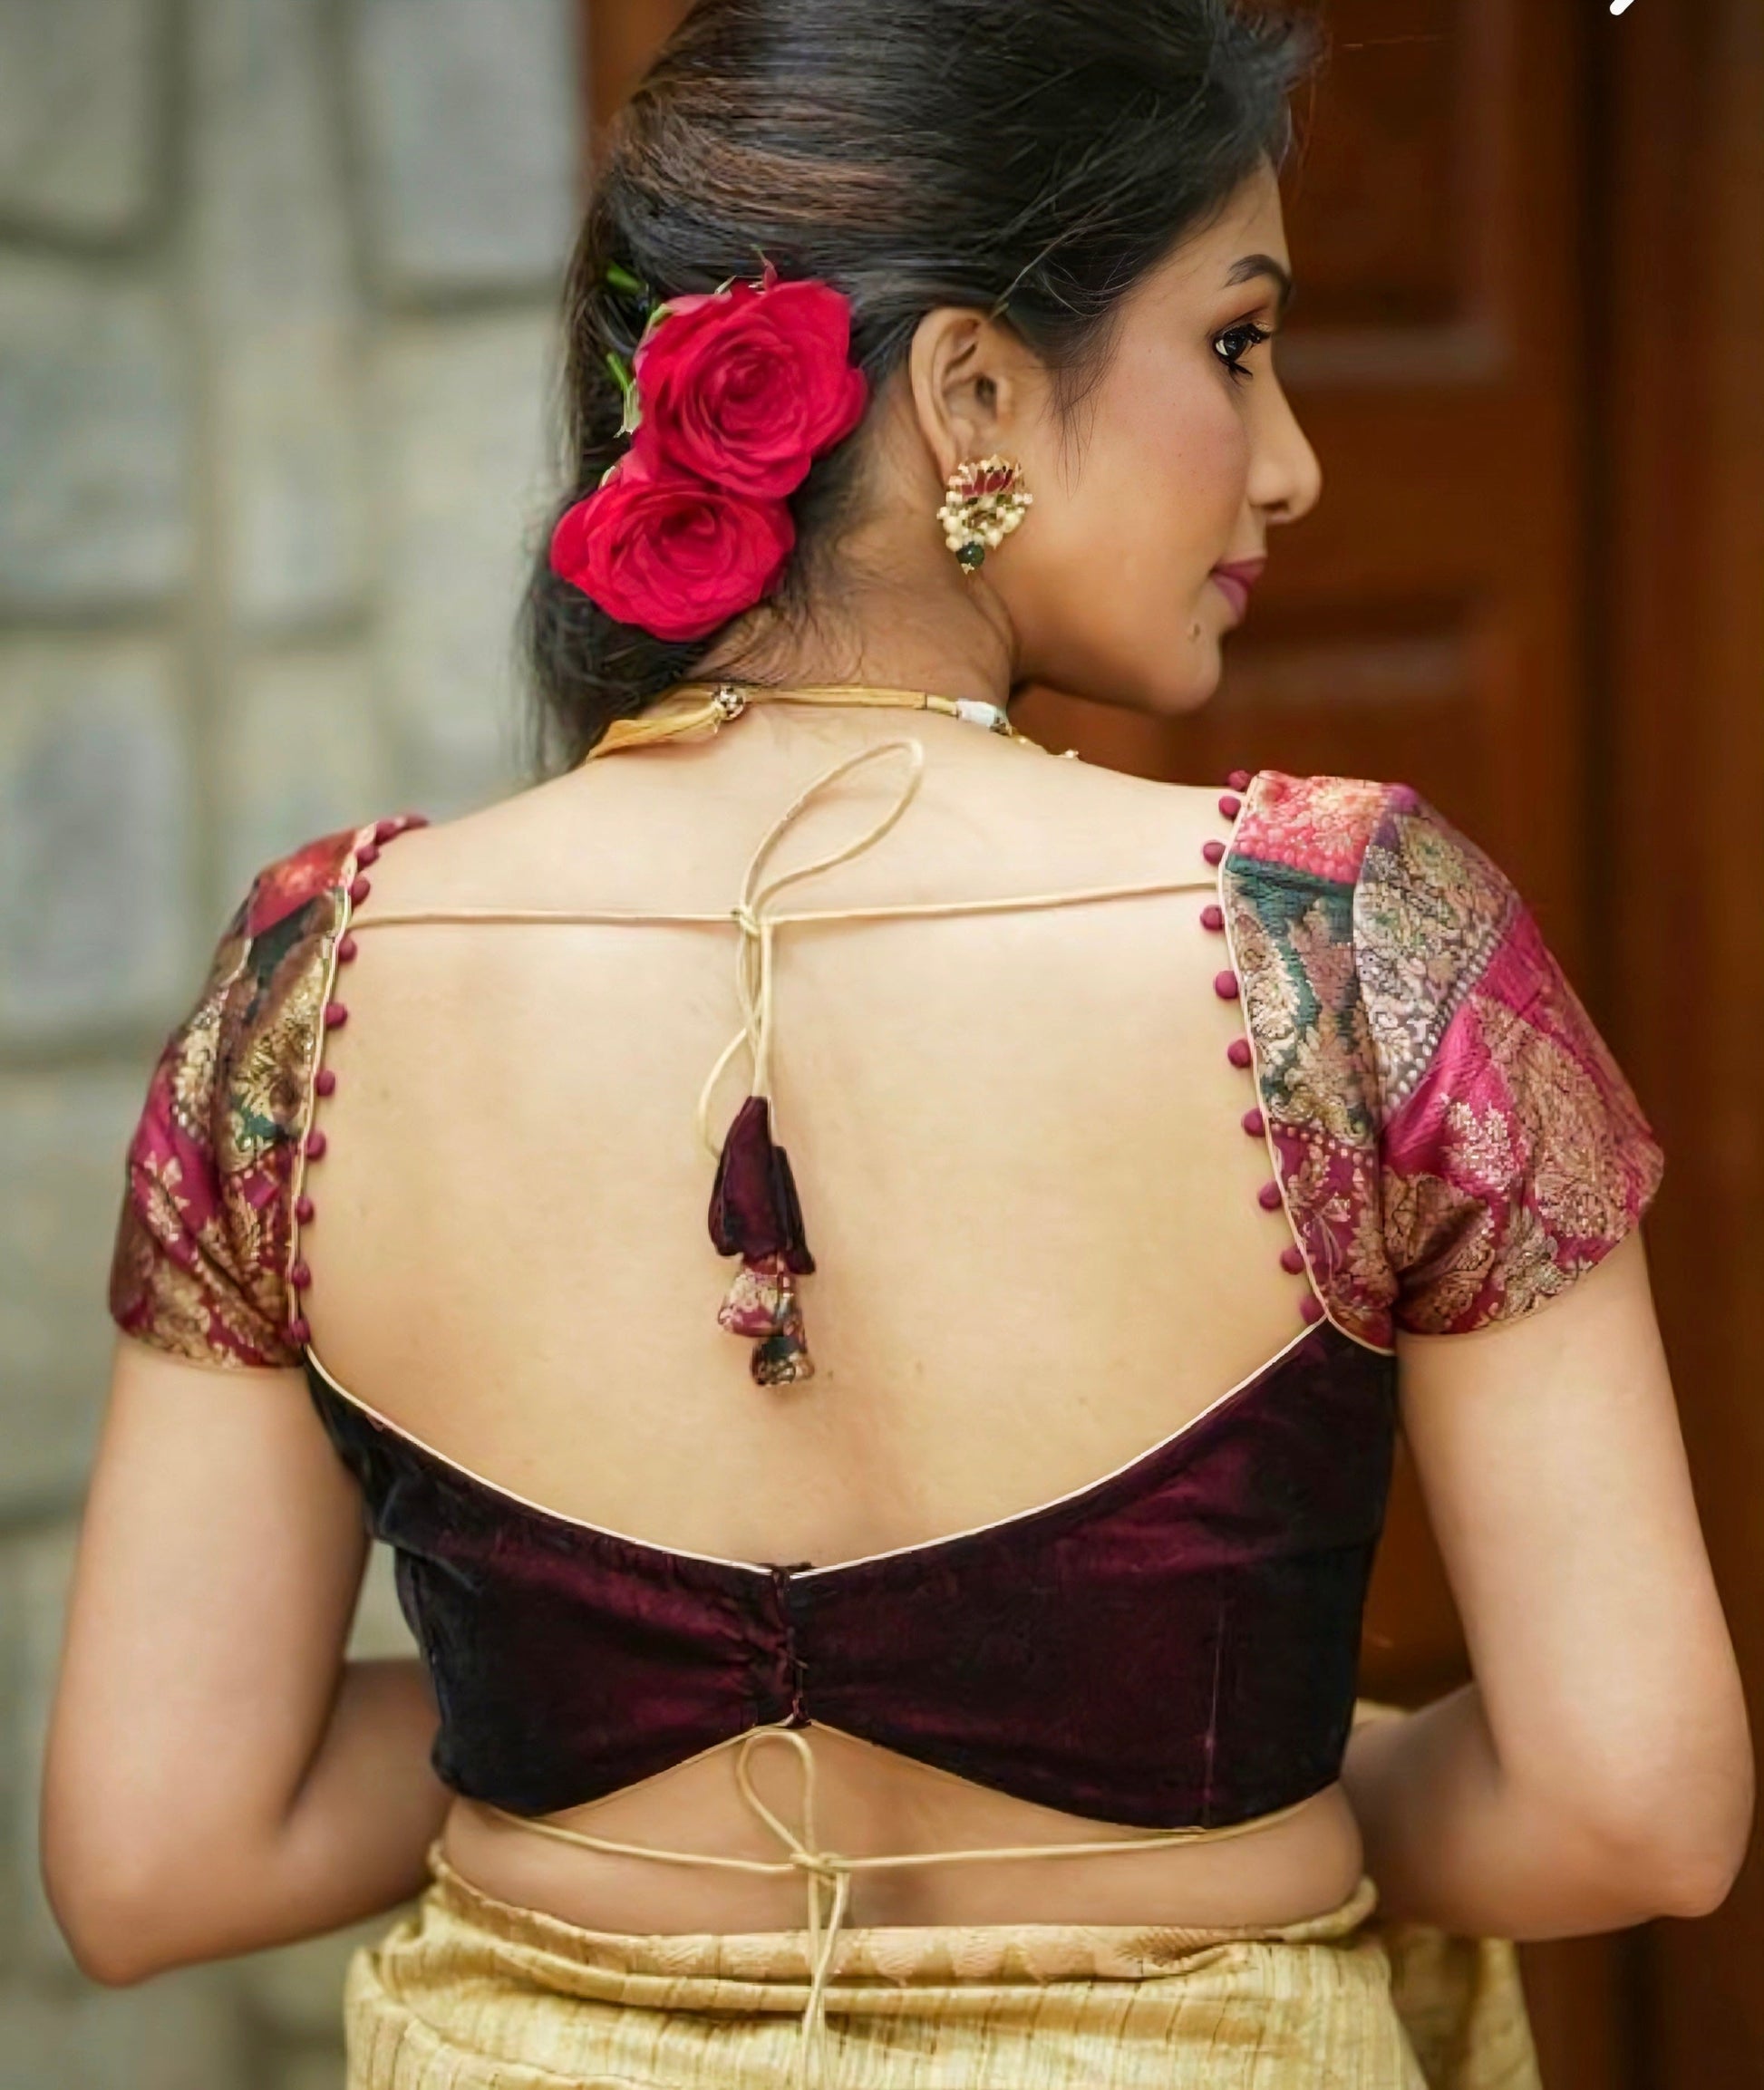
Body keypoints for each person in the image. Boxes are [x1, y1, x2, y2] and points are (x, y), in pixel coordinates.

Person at [41, 2, 1751, 2085]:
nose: (1289, 460)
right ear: (969, 394)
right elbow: (1629, 1805)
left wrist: (581, 1729)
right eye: (1235, 340)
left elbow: (160, 1854)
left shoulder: (311, 985)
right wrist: (1244, 1768)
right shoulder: (1339, 944)